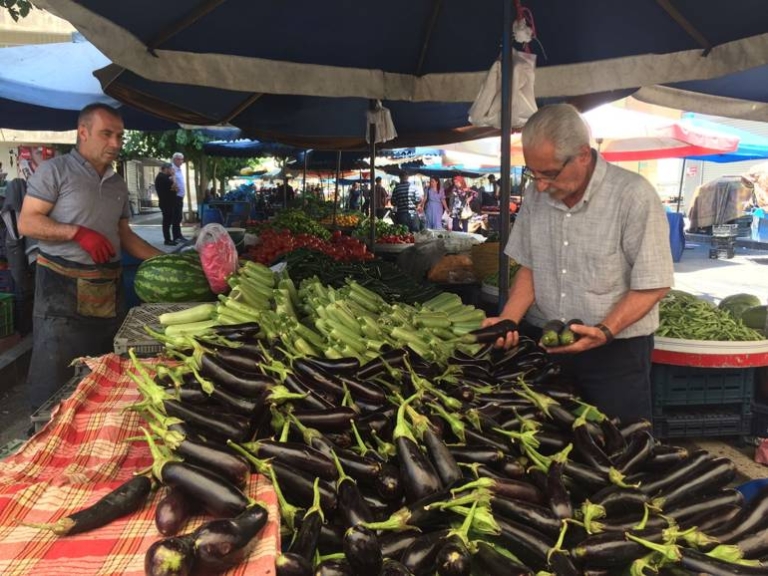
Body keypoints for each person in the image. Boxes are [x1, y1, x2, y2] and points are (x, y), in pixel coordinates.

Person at [483, 103, 674, 424]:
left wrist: (605, 330)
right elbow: (531, 267)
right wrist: (508, 321)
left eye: (550, 174)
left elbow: (654, 282)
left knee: (620, 449)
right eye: (533, 173)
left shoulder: (633, 196)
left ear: (583, 155)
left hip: (615, 354)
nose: (540, 185)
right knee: (545, 443)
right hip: (545, 343)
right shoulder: (535, 196)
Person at [18, 103, 163, 412]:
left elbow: (126, 237)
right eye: (106, 134)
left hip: (108, 291)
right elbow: (27, 222)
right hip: (60, 292)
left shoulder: (118, 183)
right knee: (54, 379)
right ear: (83, 132)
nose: (115, 143)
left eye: (120, 136)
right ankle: (41, 443)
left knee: (102, 374)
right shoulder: (54, 171)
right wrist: (77, 233)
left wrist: (169, 262)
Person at [155, 163, 177, 246]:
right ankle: (167, 240)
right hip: (166, 203)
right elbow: (174, 186)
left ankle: (169, 239)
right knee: (167, 222)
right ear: (166, 169)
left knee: (168, 221)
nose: (171, 171)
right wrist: (173, 176)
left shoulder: (165, 177)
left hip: (169, 202)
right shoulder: (161, 178)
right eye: (170, 169)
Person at [171, 152, 187, 242]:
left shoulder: (179, 169)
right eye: (180, 159)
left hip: (180, 196)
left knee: (179, 217)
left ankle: (179, 235)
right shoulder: (172, 169)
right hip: (175, 196)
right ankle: (176, 236)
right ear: (175, 159)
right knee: (176, 217)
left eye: (182, 159)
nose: (182, 161)